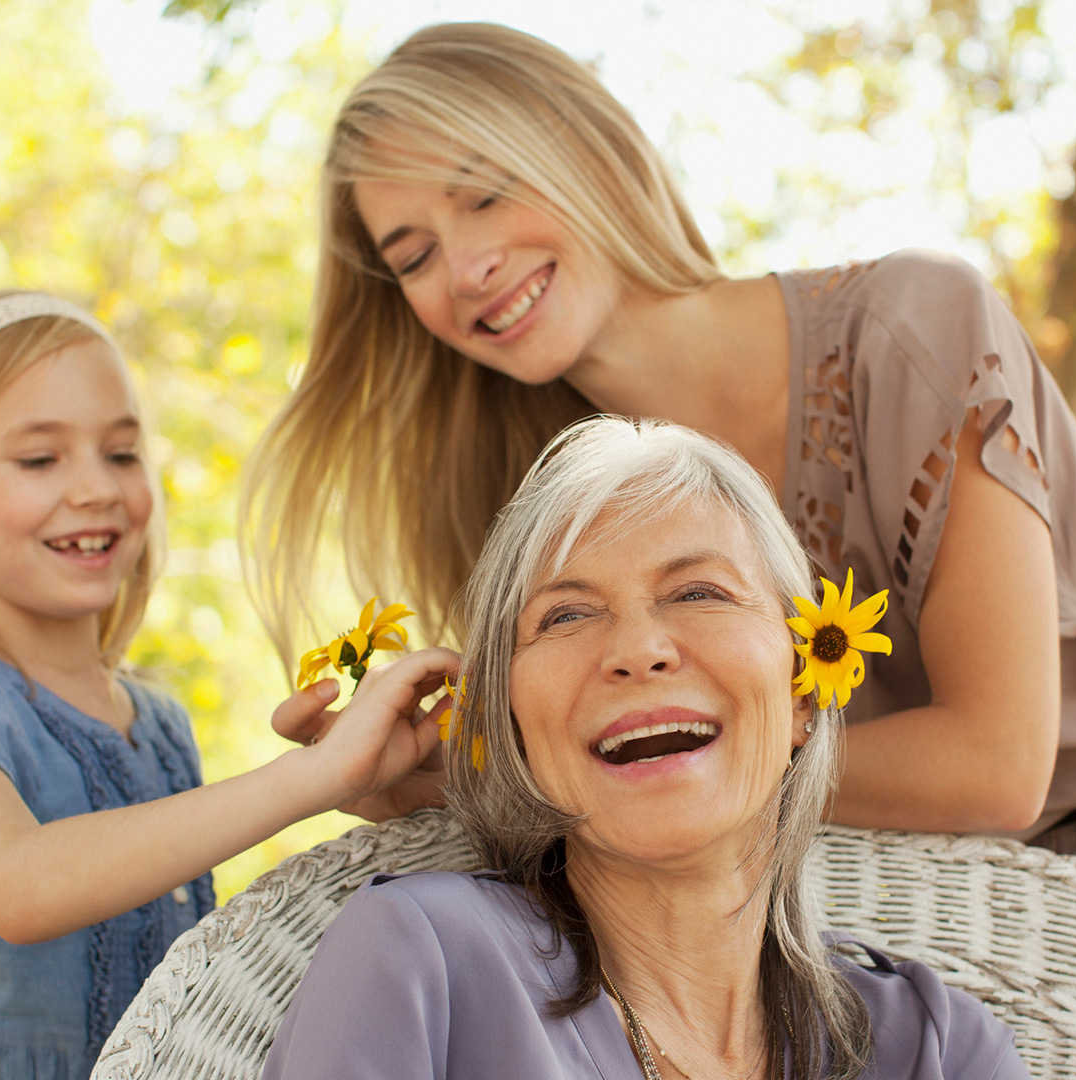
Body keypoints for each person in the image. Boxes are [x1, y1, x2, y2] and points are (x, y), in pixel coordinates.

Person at [244, 22, 1076, 1072]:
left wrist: (648, 760)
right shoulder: (568, 503)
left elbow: (998, 766)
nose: (467, 264)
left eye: (486, 194)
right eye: (413, 252)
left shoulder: (914, 329)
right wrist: (449, 772)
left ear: (586, 151)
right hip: (914, 940)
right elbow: (614, 811)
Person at [263, 417, 1028, 1080]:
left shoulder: (941, 1049)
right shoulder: (419, 960)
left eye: (699, 592)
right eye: (565, 616)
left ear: (803, 690)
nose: (637, 649)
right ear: (510, 723)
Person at [0, 289, 455, 1079]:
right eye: (39, 458)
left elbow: (191, 986)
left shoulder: (160, 722)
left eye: (122, 454)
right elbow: (18, 885)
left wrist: (370, 787)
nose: (98, 488)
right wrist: (303, 778)